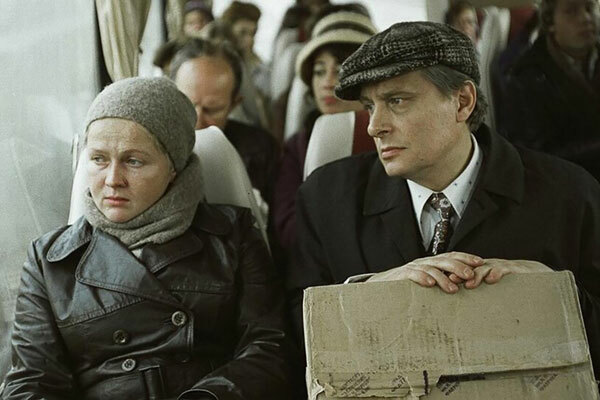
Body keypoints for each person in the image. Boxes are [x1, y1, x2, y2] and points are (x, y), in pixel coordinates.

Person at [286, 21, 600, 378]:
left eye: (396, 101)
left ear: (462, 102)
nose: (374, 126)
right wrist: (367, 294)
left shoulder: (568, 195)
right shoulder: (326, 198)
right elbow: (296, 332)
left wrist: (557, 292)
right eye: (370, 106)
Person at [2, 77, 292, 399]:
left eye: (133, 161)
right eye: (99, 159)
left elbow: (271, 348)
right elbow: (32, 382)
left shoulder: (232, 235)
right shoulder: (49, 261)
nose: (113, 180)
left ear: (173, 167)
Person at [272, 10, 376, 253]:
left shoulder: (392, 136)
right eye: (319, 72)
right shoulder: (298, 145)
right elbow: (288, 230)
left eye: (340, 70)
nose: (328, 82)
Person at [170, 38, 279, 209]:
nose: (196, 121)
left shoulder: (262, 150)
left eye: (213, 109)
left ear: (234, 104)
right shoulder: (148, 148)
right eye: (187, 105)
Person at [499, 0, 600, 182]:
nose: (586, 18)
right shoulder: (526, 77)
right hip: (569, 186)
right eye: (571, 11)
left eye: (589, 8)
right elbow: (535, 157)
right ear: (550, 22)